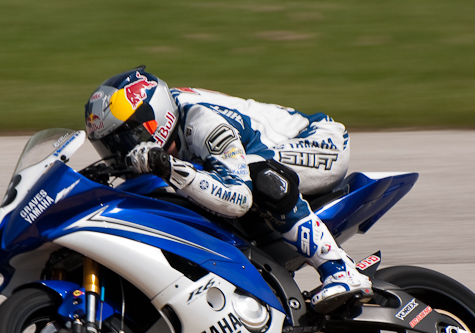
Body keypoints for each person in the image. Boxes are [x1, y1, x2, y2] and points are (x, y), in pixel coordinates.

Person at [84, 67, 372, 313]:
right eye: (110, 148)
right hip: (257, 158)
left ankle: (340, 269)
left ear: (154, 120)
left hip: (320, 143)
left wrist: (168, 167)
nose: (123, 155)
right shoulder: (168, 133)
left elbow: (238, 200)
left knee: (260, 176)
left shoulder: (201, 121)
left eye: (125, 141)